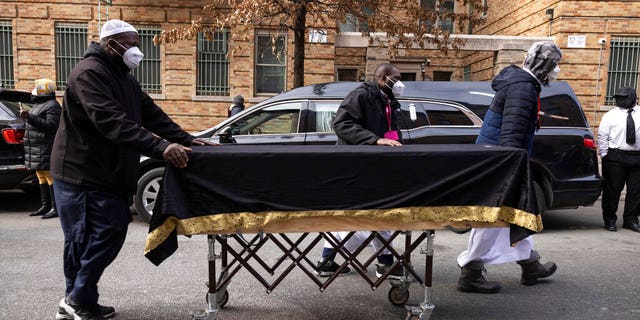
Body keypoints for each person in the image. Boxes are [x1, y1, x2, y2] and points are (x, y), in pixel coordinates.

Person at [50, 19, 212, 320]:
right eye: (130, 43)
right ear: (110, 44)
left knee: (99, 234)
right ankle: (78, 298)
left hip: (107, 173)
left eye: (137, 42)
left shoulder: (121, 75)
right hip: (82, 173)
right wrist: (161, 147)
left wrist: (187, 139)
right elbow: (112, 122)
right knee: (90, 236)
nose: (136, 50)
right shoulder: (88, 74)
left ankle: (77, 299)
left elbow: (150, 113)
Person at [456, 41, 561, 294]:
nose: (557, 72)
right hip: (501, 160)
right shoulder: (523, 88)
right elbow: (511, 131)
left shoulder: (522, 85)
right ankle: (470, 271)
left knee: (514, 214)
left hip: (499, 158)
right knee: (493, 218)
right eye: (555, 65)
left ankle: (530, 264)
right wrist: (509, 167)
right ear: (545, 65)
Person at [316, 63, 404, 279]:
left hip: (377, 164)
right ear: (383, 79)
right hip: (356, 165)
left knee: (377, 214)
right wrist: (375, 140)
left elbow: (391, 131)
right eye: (397, 77)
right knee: (371, 215)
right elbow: (341, 124)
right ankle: (384, 263)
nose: (401, 82)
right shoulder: (360, 96)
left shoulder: (390, 100)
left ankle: (328, 260)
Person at [597, 86, 640, 233]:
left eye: (623, 97)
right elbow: (602, 136)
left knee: (636, 192)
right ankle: (609, 220)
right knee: (612, 190)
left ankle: (631, 220)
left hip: (637, 157)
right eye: (618, 97)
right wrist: (605, 155)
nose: (619, 100)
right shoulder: (610, 115)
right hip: (615, 157)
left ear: (633, 98)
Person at [20, 78, 61, 219]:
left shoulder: (52, 105)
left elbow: (51, 126)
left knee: (50, 177)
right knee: (41, 177)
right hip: (37, 147)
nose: (34, 89)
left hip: (45, 146)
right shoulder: (39, 104)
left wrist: (29, 117)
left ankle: (56, 208)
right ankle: (45, 206)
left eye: (37, 87)